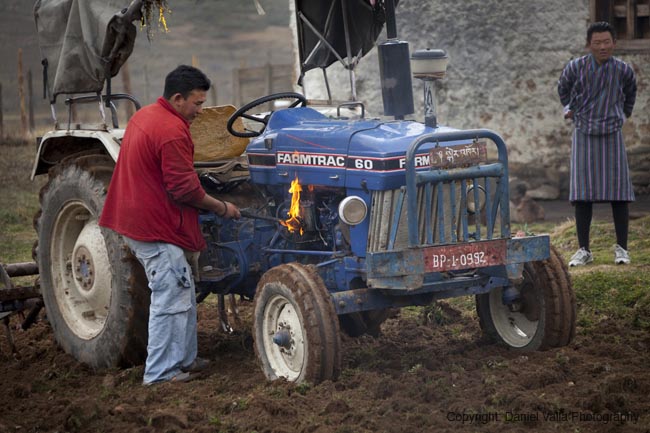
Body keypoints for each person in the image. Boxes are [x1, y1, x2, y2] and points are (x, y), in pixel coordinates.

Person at [99, 65, 240, 385]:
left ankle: (184, 359)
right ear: (178, 99)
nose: (200, 111)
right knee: (170, 293)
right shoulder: (172, 130)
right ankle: (161, 373)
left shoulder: (146, 115)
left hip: (137, 214)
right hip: (153, 224)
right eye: (197, 103)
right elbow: (185, 189)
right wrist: (222, 207)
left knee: (182, 287)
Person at [557, 21, 637, 267]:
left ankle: (622, 249)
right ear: (589, 45)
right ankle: (584, 250)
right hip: (584, 132)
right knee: (582, 195)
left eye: (606, 42)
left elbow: (630, 95)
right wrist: (571, 109)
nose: (602, 47)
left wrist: (621, 116)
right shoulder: (575, 67)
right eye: (597, 43)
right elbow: (563, 90)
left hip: (612, 133)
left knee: (619, 195)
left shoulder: (623, 70)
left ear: (614, 43)